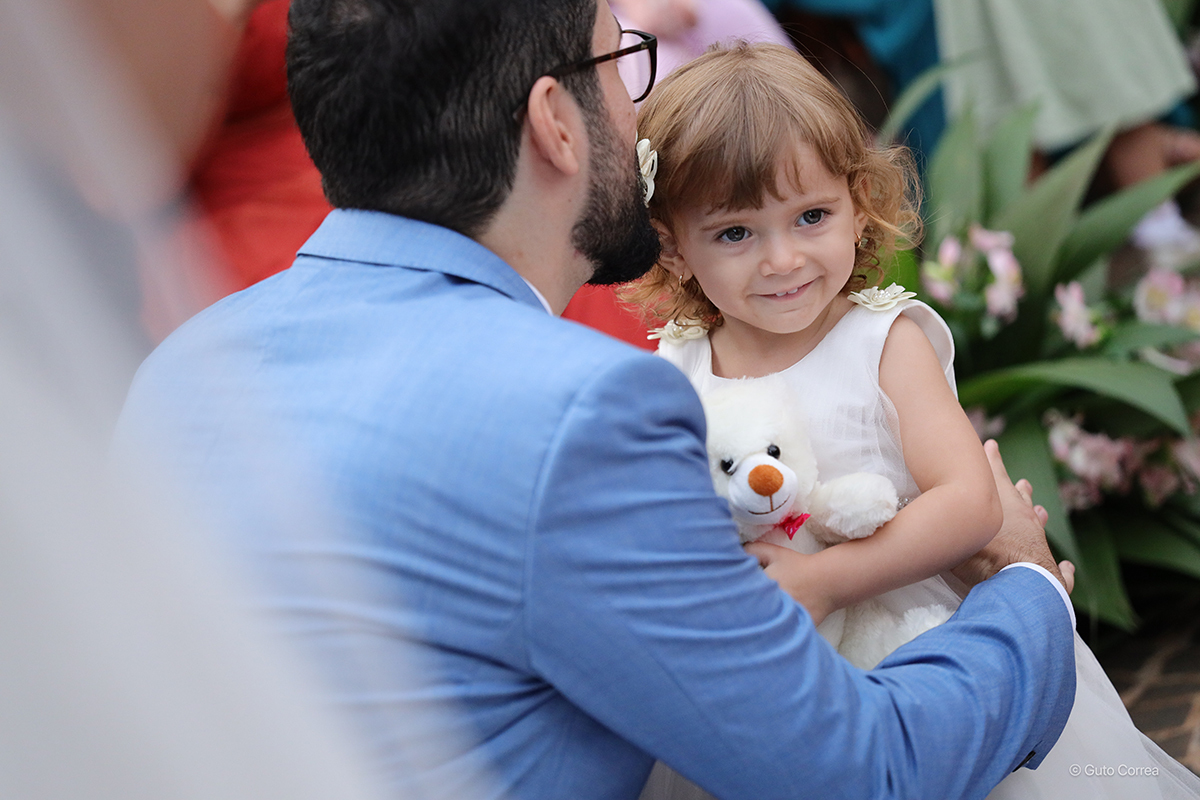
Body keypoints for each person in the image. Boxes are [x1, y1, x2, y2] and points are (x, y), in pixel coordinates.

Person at [114, 1, 1080, 798]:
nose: (636, 105)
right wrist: (1027, 588)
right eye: (624, 60)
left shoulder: (179, 370)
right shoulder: (583, 411)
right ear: (556, 122)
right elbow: (856, 771)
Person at [626, 41, 1200, 799]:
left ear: (857, 204)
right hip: (760, 671)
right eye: (736, 232)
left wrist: (826, 580)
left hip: (911, 652)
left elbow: (970, 502)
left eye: (811, 216)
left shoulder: (883, 342)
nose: (783, 259)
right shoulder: (678, 364)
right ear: (671, 247)